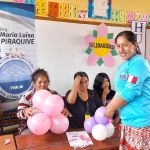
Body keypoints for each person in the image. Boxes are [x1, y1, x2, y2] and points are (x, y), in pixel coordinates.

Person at [105, 31, 150, 150]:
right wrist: (111, 107)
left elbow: (131, 91)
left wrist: (112, 107)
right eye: (118, 46)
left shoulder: (139, 64)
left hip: (140, 122)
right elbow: (120, 91)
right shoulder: (124, 66)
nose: (121, 49)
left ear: (134, 45)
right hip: (127, 120)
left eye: (125, 45)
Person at [17, 68, 71, 135]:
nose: (42, 85)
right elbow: (18, 114)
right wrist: (25, 111)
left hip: (52, 127)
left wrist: (64, 109)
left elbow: (62, 106)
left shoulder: (54, 94)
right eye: (39, 82)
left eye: (45, 82)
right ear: (34, 83)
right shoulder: (27, 96)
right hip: (30, 128)